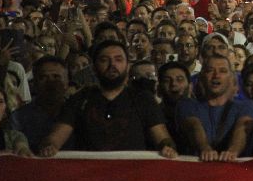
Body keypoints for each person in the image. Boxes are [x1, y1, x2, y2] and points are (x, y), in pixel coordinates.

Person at [39, 41, 177, 158]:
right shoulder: (80, 99)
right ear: (93, 67)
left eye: (118, 59)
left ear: (127, 66)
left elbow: (162, 137)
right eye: (105, 60)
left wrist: (167, 147)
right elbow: (56, 137)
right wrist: (50, 146)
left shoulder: (143, 99)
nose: (112, 65)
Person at [177, 54, 253, 161]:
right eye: (210, 70)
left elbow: (242, 128)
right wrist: (204, 148)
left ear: (231, 78)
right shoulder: (187, 105)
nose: (216, 75)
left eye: (223, 71)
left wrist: (233, 151)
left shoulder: (246, 106)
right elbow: (194, 126)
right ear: (201, 76)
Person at [11, 56, 73, 153]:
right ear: (34, 83)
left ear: (67, 82)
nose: (50, 82)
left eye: (56, 77)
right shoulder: (18, 118)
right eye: (43, 77)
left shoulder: (77, 113)